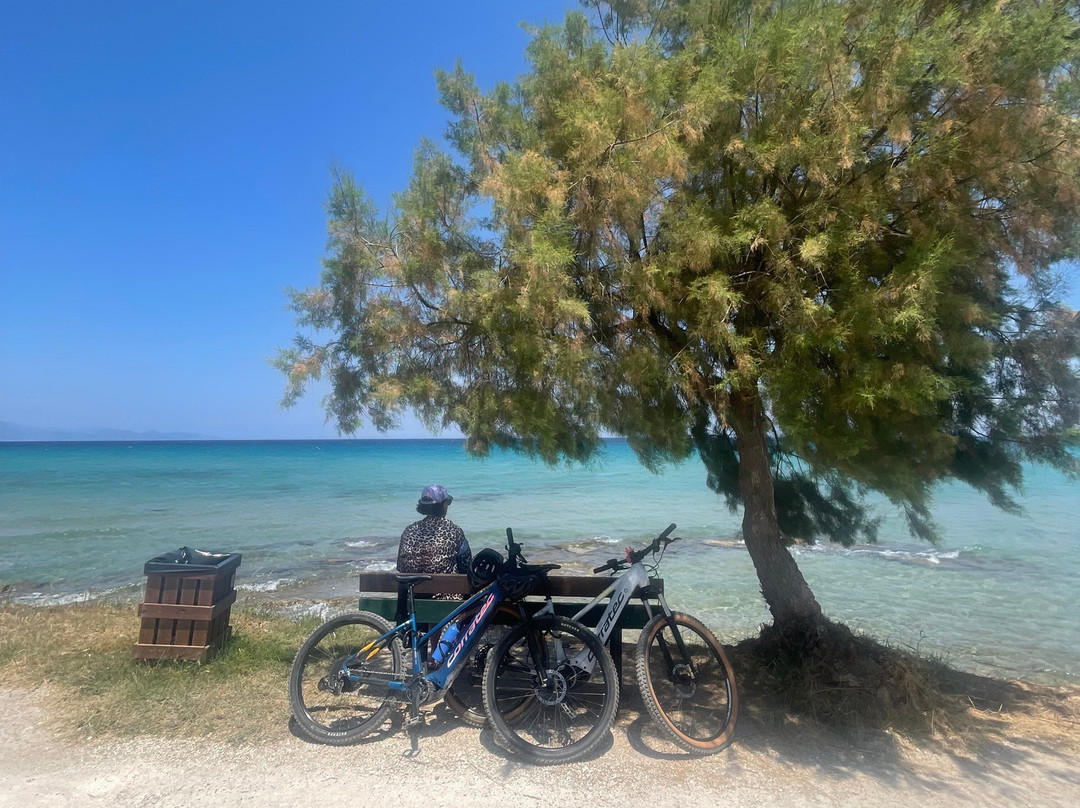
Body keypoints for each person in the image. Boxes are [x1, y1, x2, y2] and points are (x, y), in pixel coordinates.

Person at [397, 484, 472, 575]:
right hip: (445, 587)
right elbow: (466, 565)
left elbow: (400, 565)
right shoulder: (454, 531)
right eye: (447, 502)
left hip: (411, 587)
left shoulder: (409, 531)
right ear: (443, 505)